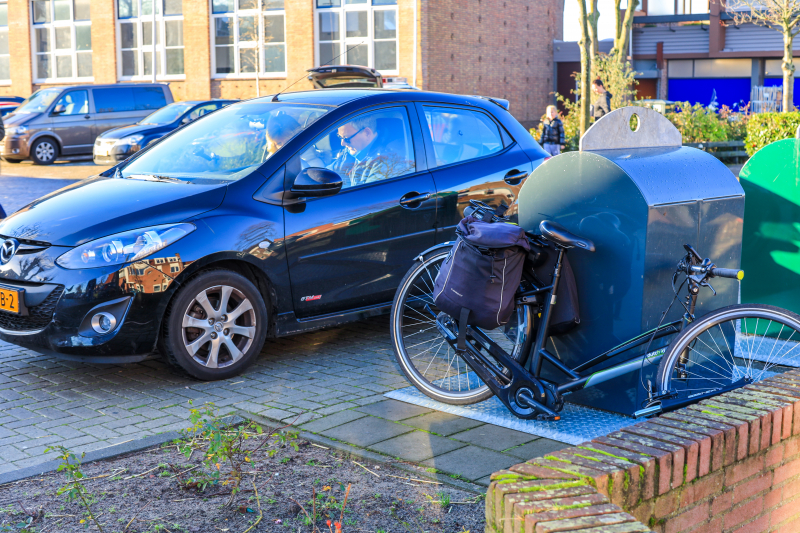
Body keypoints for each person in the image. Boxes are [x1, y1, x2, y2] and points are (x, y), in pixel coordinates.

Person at [335, 114, 396, 187]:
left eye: (346, 138)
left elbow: (363, 196)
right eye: (340, 137)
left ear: (367, 133)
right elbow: (331, 172)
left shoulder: (384, 163)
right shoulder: (351, 149)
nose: (342, 143)